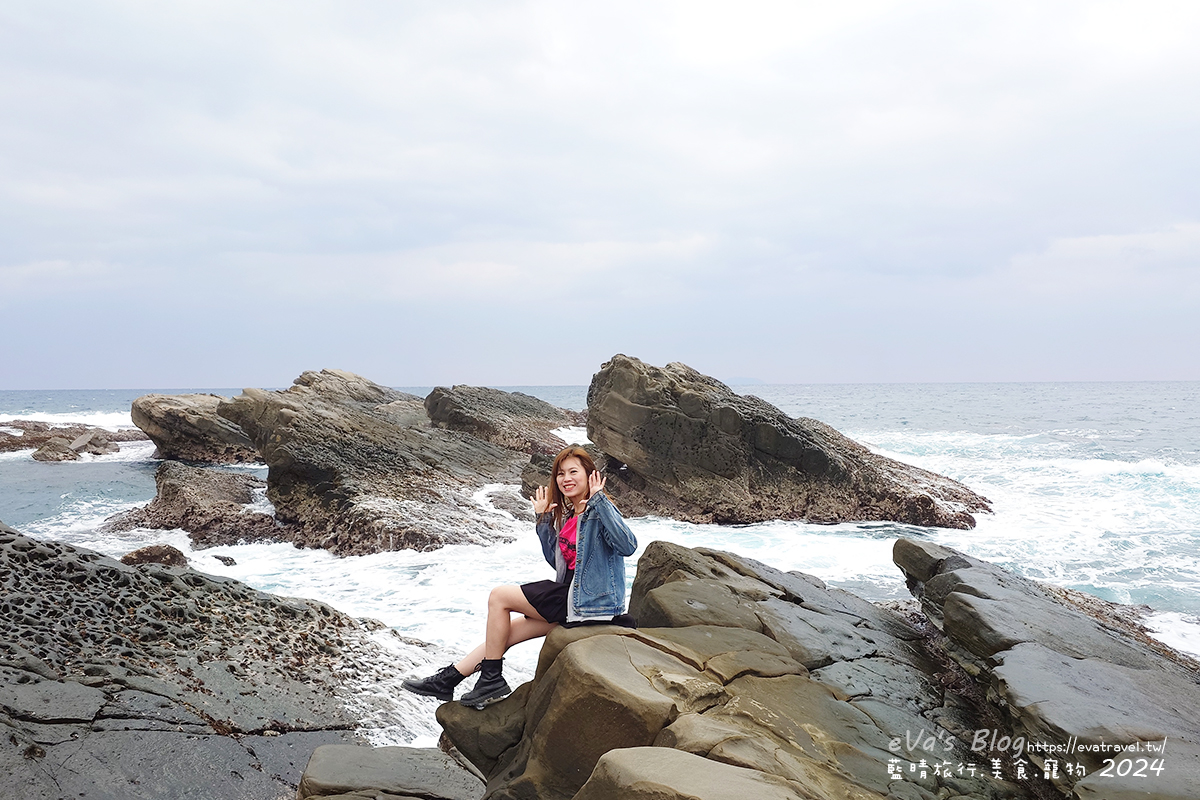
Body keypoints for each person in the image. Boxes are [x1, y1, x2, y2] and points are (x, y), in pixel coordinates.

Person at [401, 446, 638, 709]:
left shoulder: (599, 510)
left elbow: (628, 546)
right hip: (574, 601)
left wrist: (599, 500)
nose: (566, 478)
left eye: (574, 472)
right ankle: (449, 680)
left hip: (588, 603)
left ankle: (491, 680)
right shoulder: (571, 514)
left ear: (590, 475)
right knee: (507, 632)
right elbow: (558, 562)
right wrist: (543, 519)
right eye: (561, 473)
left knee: (499, 597)